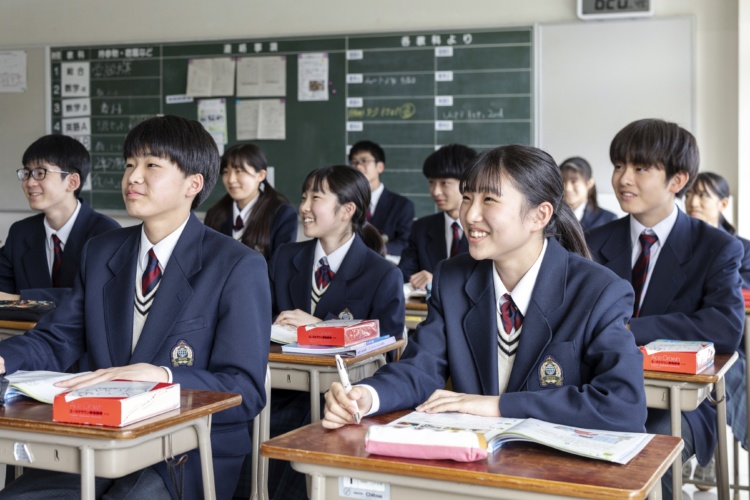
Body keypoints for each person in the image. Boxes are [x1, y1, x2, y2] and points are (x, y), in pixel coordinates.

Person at [0, 115, 272, 500]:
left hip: (182, 452)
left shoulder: (235, 265)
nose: (133, 177)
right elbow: (57, 338)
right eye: (130, 164)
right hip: (98, 440)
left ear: (193, 184)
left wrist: (161, 375)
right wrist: (4, 359)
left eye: (151, 166)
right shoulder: (103, 252)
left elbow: (245, 389)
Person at [324, 144, 647, 438]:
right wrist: (366, 396)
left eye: (489, 199)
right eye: (467, 197)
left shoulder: (599, 290)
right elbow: (420, 368)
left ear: (539, 215)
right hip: (475, 460)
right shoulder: (453, 277)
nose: (470, 214)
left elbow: (623, 406)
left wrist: (497, 406)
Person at [586, 119, 745, 499]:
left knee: (648, 456)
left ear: (677, 180)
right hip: (602, 387)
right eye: (619, 166)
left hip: (683, 399)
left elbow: (724, 326)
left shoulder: (717, 246)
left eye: (640, 168)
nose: (623, 178)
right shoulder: (592, 242)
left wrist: (629, 331)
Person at [268, 165, 405, 499]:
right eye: (303, 196)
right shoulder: (286, 257)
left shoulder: (382, 273)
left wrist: (318, 328)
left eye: (316, 197)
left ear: (347, 210)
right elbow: (262, 318)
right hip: (278, 390)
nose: (304, 207)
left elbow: (385, 346)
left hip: (339, 398)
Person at [684, 171, 750, 485]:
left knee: (726, 376)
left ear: (723, 203)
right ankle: (690, 450)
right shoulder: (676, 244)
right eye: (689, 195)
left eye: (703, 196)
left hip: (725, 343)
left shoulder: (742, 247)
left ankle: (705, 451)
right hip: (681, 337)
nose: (694, 202)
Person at [0, 134, 120, 303]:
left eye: (40, 173)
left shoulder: (106, 233)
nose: (29, 182)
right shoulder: (20, 233)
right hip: (24, 330)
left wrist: (22, 299)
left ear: (72, 182)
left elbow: (94, 297)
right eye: (26, 173)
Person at [398, 144, 476, 290]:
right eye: (431, 183)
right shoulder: (421, 228)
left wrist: (439, 281)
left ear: (467, 183)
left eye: (444, 183)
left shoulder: (487, 228)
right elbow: (403, 275)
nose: (435, 191)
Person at [204, 143, 297, 259]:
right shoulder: (214, 214)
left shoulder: (282, 214)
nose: (231, 180)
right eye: (226, 172)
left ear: (261, 175)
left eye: (239, 171)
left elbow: (281, 266)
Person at [348, 140, 414, 258]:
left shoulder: (402, 205)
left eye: (364, 161)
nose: (358, 166)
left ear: (380, 167)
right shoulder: (346, 203)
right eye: (354, 162)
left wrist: (369, 249)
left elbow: (405, 243)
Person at [559, 156, 617, 234]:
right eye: (563, 181)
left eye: (574, 181)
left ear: (589, 183)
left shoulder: (607, 219)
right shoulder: (551, 216)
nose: (567, 188)